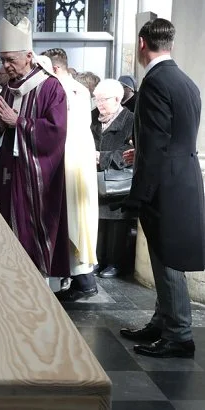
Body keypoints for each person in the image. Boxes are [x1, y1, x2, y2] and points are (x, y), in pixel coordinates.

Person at [120, 19, 204, 359]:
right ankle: (162, 321)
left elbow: (156, 146)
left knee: (167, 259)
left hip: (164, 185)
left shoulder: (154, 83)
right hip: (183, 177)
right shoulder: (186, 81)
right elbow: (173, 136)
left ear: (142, 44)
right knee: (164, 254)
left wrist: (138, 194)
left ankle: (179, 334)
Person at [0, 17, 69, 290]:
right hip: (6, 169)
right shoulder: (6, 88)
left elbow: (56, 131)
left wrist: (18, 123)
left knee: (29, 231)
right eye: (3, 59)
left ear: (29, 56)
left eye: (11, 59)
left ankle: (35, 286)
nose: (5, 66)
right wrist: (0, 124)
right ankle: (4, 281)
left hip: (35, 177)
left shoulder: (50, 87)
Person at [41, 48, 100, 302]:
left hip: (65, 156)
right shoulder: (81, 89)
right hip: (81, 157)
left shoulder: (57, 90)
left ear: (55, 69)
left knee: (67, 217)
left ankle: (80, 280)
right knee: (80, 218)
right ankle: (82, 278)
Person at [89, 79, 135, 280]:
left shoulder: (130, 119)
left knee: (116, 223)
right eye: (97, 99)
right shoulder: (91, 117)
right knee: (96, 222)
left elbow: (131, 150)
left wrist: (103, 157)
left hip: (118, 180)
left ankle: (114, 262)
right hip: (95, 177)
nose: (99, 104)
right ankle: (97, 260)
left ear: (117, 99)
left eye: (103, 100)